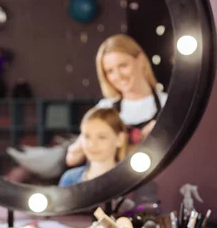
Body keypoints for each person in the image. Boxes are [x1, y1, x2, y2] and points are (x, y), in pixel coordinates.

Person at [66, 34, 167, 167]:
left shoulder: (168, 104)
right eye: (110, 71)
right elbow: (71, 159)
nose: (118, 76)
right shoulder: (104, 108)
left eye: (123, 66)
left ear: (140, 60)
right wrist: (81, 145)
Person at [59, 108, 127, 186]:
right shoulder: (70, 179)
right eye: (87, 136)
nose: (92, 144)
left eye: (102, 137)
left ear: (120, 139)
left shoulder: (130, 179)